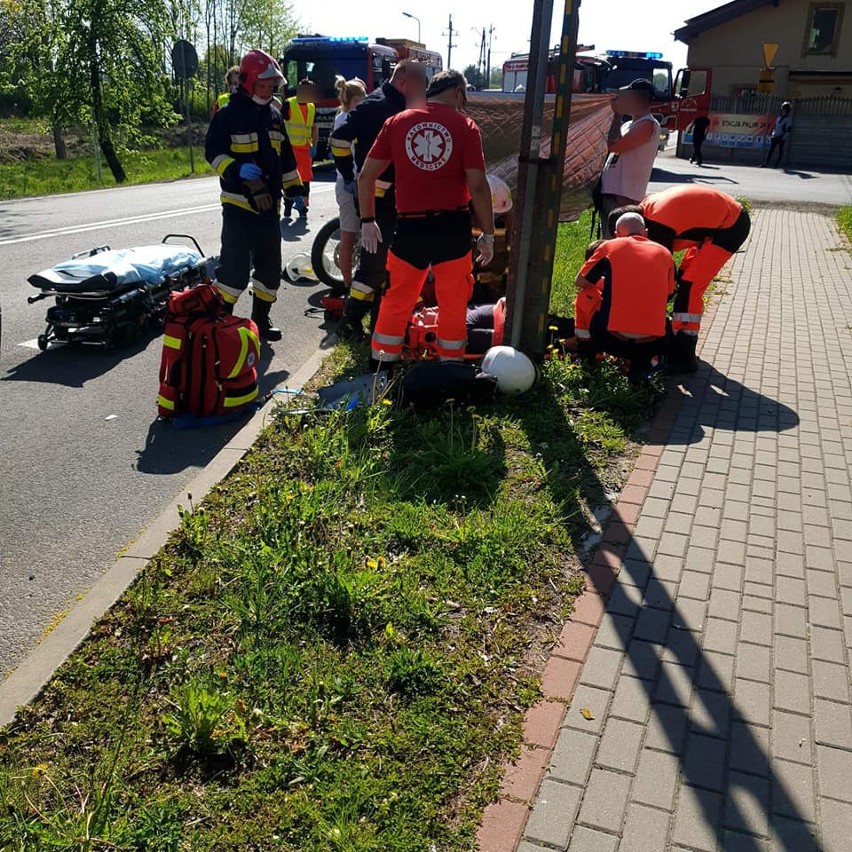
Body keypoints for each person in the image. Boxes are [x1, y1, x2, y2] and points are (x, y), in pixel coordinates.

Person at [357, 69, 495, 370]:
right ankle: (450, 371)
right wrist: (488, 233)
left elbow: (366, 176)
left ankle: (381, 368)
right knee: (454, 303)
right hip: (452, 227)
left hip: (409, 227)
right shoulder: (465, 126)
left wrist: (368, 219)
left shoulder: (397, 122)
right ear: (458, 92)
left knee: (396, 299)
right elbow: (479, 186)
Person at [205, 49, 306, 342]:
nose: (268, 90)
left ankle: (260, 320)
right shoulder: (227, 115)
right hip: (238, 206)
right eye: (263, 85)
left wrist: (296, 191)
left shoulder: (274, 116)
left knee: (270, 266)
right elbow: (213, 153)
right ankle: (221, 323)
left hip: (269, 208)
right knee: (234, 269)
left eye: (271, 86)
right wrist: (236, 168)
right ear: (248, 82)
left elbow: (286, 159)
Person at [329, 59, 430, 339]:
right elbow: (338, 140)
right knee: (373, 266)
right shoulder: (376, 106)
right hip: (375, 198)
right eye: (421, 86)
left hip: (393, 200)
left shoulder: (398, 104)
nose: (423, 92)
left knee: (388, 264)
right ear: (404, 82)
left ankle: (377, 321)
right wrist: (348, 173)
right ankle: (349, 323)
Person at [610, 185, 751, 372]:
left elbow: (661, 272)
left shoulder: (658, 228)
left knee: (690, 286)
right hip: (717, 219)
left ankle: (684, 356)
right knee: (683, 279)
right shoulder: (645, 212)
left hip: (730, 227)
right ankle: (676, 336)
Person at [575, 212, 674, 384]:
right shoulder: (665, 254)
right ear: (646, 233)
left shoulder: (610, 247)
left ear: (616, 234)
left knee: (586, 297)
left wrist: (606, 284)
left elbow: (581, 282)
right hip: (652, 343)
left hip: (611, 339)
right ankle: (640, 367)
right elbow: (669, 292)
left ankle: (588, 354)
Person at [600, 79, 661, 239]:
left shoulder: (647, 124)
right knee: (609, 241)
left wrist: (617, 114)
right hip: (613, 193)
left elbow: (614, 146)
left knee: (617, 243)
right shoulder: (628, 125)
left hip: (624, 196)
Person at [332, 77, 367, 288]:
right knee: (348, 237)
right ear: (355, 100)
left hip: (354, 181)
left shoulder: (344, 116)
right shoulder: (346, 119)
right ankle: (347, 285)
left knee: (355, 236)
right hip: (348, 184)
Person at [283, 78, 319, 219]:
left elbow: (314, 128)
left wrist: (314, 146)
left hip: (305, 150)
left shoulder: (311, 106)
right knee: (290, 180)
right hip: (291, 150)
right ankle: (287, 206)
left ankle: (303, 208)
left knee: (305, 181)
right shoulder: (289, 104)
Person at [761, 101, 792, 168]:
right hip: (775, 136)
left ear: (787, 111)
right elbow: (775, 127)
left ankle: (777, 164)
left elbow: (788, 130)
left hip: (781, 137)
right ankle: (765, 163)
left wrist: (784, 137)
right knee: (770, 150)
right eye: (782, 110)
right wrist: (773, 134)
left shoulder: (788, 120)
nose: (783, 112)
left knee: (780, 151)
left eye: (785, 111)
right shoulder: (779, 118)